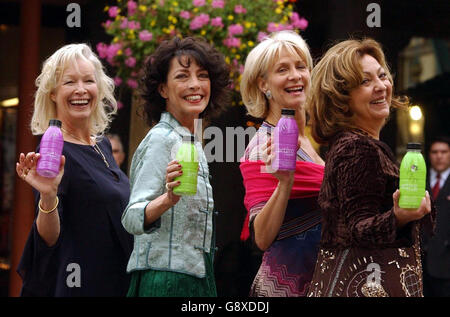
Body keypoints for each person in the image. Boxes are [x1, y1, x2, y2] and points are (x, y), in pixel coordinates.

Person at [306, 38, 433, 297]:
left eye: (382, 76)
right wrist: (400, 216)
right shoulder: (357, 149)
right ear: (341, 99)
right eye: (365, 82)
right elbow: (359, 230)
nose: (381, 87)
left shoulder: (356, 144)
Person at [15, 44, 133, 296]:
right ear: (53, 93)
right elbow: (48, 239)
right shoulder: (54, 149)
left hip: (116, 282)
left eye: (88, 80)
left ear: (99, 88)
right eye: (69, 82)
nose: (80, 89)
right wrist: (48, 196)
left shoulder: (101, 143)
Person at [121, 36, 230, 297]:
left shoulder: (190, 140)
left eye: (202, 76)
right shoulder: (162, 139)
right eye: (182, 76)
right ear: (163, 89)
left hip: (197, 279)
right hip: (165, 282)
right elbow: (131, 216)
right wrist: (168, 199)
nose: (195, 85)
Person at [239, 30, 325, 297]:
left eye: (301, 67)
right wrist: (285, 182)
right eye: (282, 70)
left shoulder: (310, 138)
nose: (295, 76)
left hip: (320, 280)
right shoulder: (260, 146)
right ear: (264, 85)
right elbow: (262, 238)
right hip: (285, 287)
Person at [422, 136, 450, 296]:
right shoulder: (418, 180)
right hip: (421, 264)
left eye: (444, 152)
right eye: (435, 152)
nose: (439, 156)